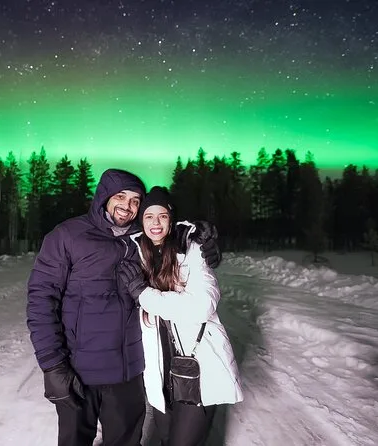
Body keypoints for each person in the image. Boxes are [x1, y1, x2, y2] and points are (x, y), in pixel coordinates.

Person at [26, 169, 221, 446]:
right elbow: (41, 300)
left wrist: (199, 234)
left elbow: (167, 228)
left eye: (135, 201)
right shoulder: (67, 236)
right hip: (80, 370)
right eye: (120, 196)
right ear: (104, 197)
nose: (127, 206)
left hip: (128, 374)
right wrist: (52, 364)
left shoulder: (140, 240)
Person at [117, 186, 244, 446]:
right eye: (149, 216)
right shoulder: (136, 256)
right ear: (141, 221)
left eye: (162, 216)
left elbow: (201, 306)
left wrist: (144, 294)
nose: (155, 222)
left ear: (171, 219)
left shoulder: (192, 250)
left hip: (197, 369)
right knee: (166, 438)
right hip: (160, 373)